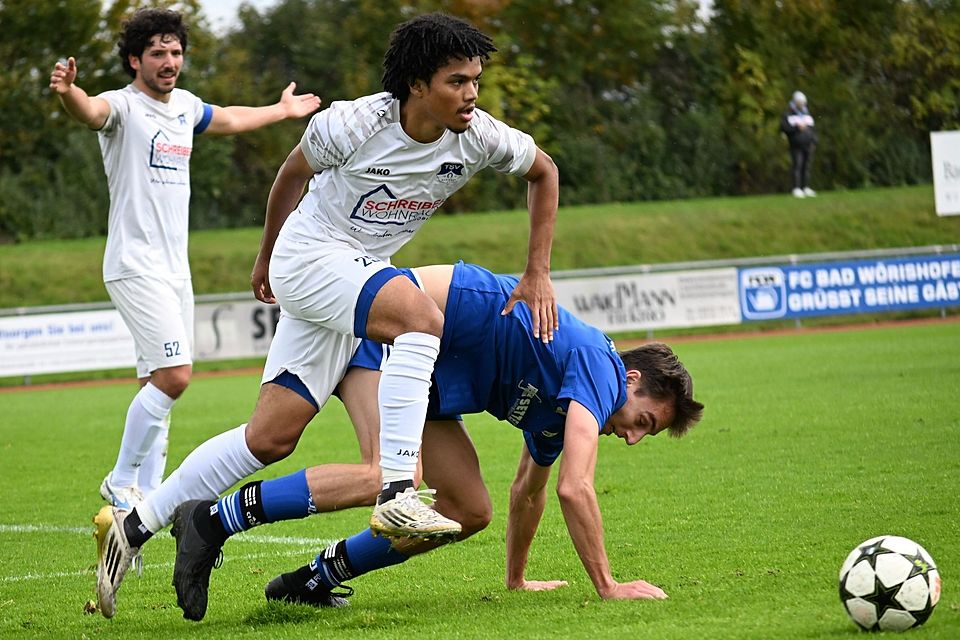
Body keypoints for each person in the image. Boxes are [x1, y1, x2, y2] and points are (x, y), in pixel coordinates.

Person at [90, 11, 560, 618]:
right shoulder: (358, 121)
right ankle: (397, 489)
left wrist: (538, 271)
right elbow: (291, 175)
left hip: (354, 275)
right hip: (310, 258)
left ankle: (135, 526)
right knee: (421, 318)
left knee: (269, 438)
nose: (471, 93)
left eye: (475, 80)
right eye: (456, 80)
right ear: (418, 83)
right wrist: (266, 257)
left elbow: (543, 171)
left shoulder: (481, 135)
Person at [168, 262, 704, 620]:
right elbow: (575, 488)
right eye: (645, 422)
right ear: (632, 382)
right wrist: (608, 585)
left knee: (468, 510)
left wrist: (516, 579)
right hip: (394, 329)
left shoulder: (562, 408)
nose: (633, 438)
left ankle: (312, 579)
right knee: (389, 475)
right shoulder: (603, 368)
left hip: (427, 376)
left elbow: (529, 491)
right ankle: (212, 520)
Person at [48, 8, 321, 509]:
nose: (169, 60)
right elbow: (90, 112)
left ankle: (144, 498)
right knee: (175, 376)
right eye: (157, 52)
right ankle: (122, 478)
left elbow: (232, 117)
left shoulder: (185, 107)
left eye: (175, 51)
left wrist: (281, 111)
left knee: (157, 383)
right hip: (134, 264)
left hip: (176, 270)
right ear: (135, 60)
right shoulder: (123, 106)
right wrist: (67, 92)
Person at [780, 90, 817, 198]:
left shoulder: (807, 114)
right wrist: (797, 128)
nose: (802, 104)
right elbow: (784, 128)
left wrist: (814, 141)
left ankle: (805, 187)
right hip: (796, 145)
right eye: (800, 102)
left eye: (803, 102)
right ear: (795, 102)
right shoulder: (788, 114)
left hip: (808, 145)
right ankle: (796, 188)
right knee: (797, 166)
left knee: (807, 167)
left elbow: (812, 130)